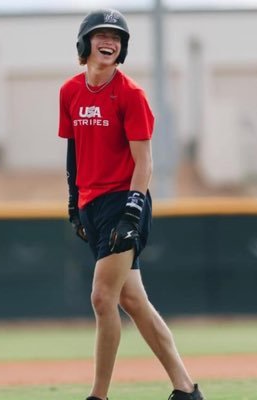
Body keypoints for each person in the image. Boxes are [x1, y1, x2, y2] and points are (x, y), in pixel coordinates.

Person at [58, 8, 205, 400]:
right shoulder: (70, 91)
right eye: (101, 34)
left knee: (102, 297)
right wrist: (74, 204)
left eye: (117, 37)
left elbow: (145, 163)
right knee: (133, 300)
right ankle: (186, 390)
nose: (109, 41)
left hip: (124, 202)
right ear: (84, 43)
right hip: (92, 203)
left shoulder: (131, 94)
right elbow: (74, 152)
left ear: (122, 49)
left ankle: (98, 396)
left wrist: (133, 212)